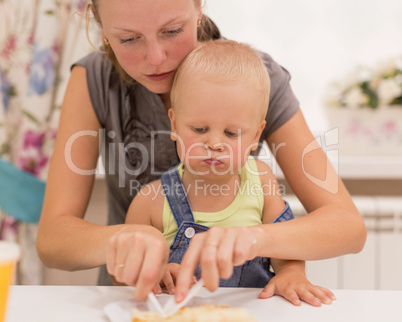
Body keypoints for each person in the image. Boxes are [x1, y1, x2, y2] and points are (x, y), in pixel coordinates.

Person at [36, 0, 366, 302]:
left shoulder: (254, 79)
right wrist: (127, 237)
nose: (156, 57)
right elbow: (53, 241)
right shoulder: (93, 77)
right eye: (128, 39)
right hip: (137, 301)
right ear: (103, 31)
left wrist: (254, 239)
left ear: (199, 9)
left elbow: (347, 227)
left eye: (172, 31)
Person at [122, 39, 336, 306]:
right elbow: (124, 276)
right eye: (199, 130)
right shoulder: (150, 201)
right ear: (174, 123)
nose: (214, 144)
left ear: (256, 135)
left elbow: (285, 244)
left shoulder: (261, 181)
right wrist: (154, 274)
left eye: (231, 133)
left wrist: (291, 273)